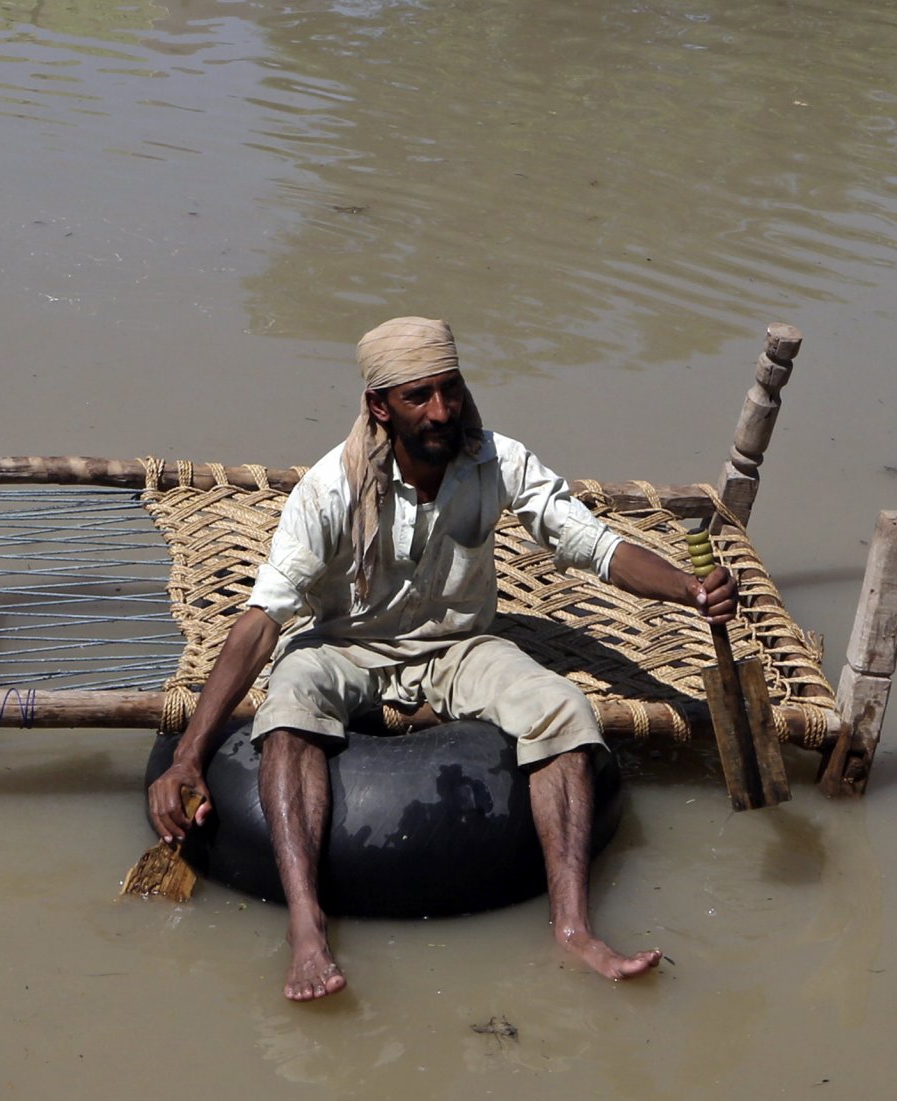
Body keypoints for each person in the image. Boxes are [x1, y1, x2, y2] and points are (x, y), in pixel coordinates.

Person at [146, 317, 736, 1001]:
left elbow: (593, 545)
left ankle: (573, 929)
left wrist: (688, 588)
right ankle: (306, 929)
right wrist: (190, 753)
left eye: (450, 390)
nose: (441, 411)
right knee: (289, 705)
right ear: (378, 406)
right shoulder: (331, 489)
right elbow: (263, 620)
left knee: (563, 709)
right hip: (345, 643)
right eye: (418, 396)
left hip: (458, 646)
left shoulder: (494, 461)